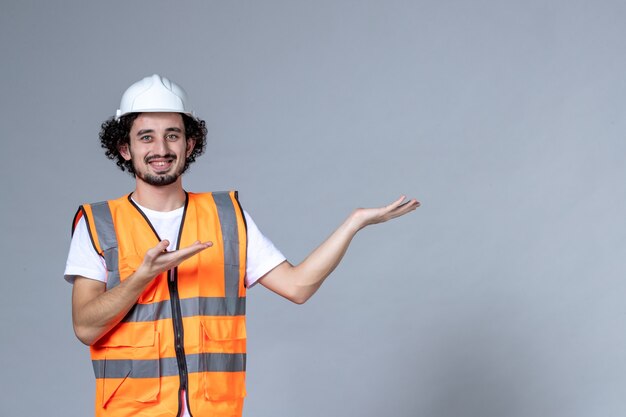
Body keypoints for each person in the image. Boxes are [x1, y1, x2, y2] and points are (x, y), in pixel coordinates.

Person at [65, 74, 419, 417]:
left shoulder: (226, 217)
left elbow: (297, 287)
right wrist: (142, 277)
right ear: (125, 148)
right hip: (133, 412)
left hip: (216, 409)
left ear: (189, 145)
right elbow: (85, 327)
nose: (161, 149)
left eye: (172, 135)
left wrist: (354, 222)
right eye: (146, 137)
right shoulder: (98, 223)